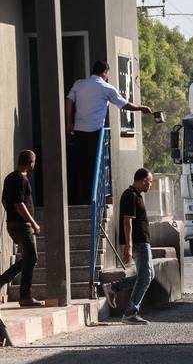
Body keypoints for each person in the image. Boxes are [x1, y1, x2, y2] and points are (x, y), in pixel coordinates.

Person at [65, 60, 154, 204]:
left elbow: (69, 101)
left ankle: (78, 198)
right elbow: (125, 104)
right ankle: (93, 200)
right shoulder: (106, 88)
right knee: (95, 166)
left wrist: (69, 123)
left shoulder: (79, 84)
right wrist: (141, 108)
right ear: (105, 72)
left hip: (79, 130)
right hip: (95, 133)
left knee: (80, 166)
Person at [102, 168, 155, 325]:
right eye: (150, 182)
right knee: (145, 277)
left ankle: (113, 287)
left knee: (149, 276)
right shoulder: (129, 195)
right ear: (144, 180)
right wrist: (129, 246)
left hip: (143, 241)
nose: (150, 185)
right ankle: (130, 312)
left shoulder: (137, 196)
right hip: (138, 242)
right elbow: (127, 221)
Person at [0, 150, 44, 307]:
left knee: (27, 258)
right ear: (31, 163)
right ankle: (25, 297)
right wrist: (33, 223)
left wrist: (12, 216)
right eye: (34, 162)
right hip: (22, 225)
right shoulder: (21, 180)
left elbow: (5, 201)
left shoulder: (9, 177)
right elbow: (19, 204)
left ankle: (1, 281)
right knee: (32, 258)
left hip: (12, 225)